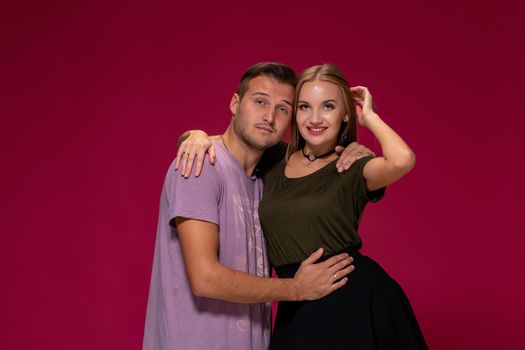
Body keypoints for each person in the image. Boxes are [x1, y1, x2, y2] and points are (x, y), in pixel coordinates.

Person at [180, 64, 427, 349]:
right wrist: (194, 135)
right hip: (296, 300)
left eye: (329, 107)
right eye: (305, 107)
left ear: (345, 114)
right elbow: (229, 143)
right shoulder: (275, 159)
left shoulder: (350, 165)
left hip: (355, 299)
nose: (315, 118)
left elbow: (402, 160)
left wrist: (369, 118)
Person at [142, 62, 369, 350]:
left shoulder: (270, 178)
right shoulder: (200, 166)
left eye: (283, 108)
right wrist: (297, 288)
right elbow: (204, 279)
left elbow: (322, 160)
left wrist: (353, 150)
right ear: (235, 103)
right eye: (260, 102)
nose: (269, 117)